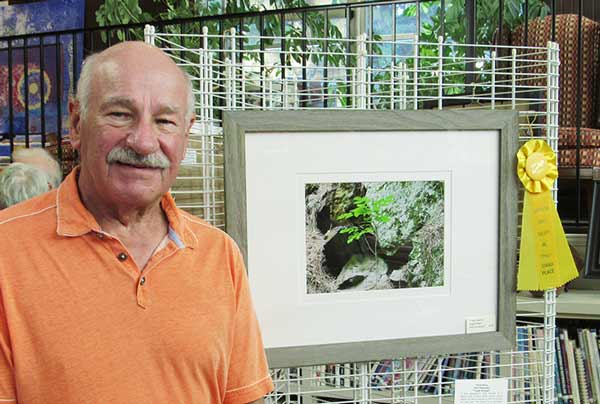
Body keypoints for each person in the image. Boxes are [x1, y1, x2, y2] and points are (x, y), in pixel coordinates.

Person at [0, 42, 273, 403]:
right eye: (120, 114)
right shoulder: (8, 251)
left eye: (164, 121)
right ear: (77, 123)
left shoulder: (218, 255)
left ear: (186, 133)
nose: (144, 142)